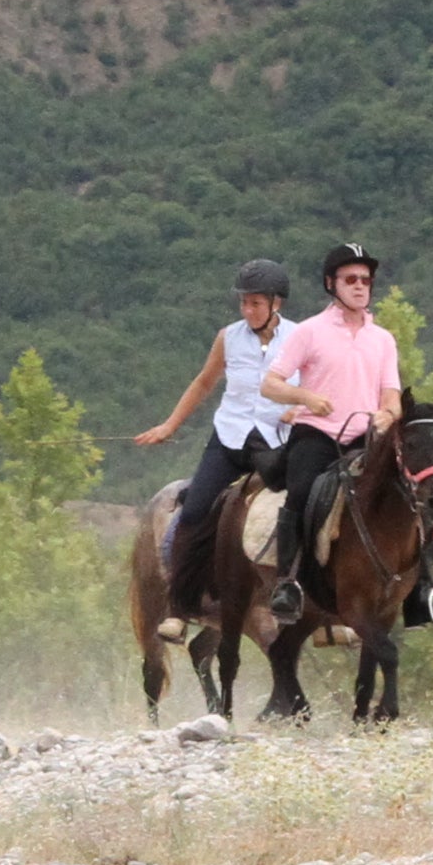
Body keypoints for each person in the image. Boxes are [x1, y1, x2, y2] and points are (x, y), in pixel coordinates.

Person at [261, 241, 433, 629]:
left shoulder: (382, 339)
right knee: (302, 493)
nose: (360, 286)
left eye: (365, 280)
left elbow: (390, 394)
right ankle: (288, 584)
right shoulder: (309, 332)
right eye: (350, 279)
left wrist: (387, 415)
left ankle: (423, 591)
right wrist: (305, 397)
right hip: (316, 435)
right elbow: (271, 384)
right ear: (330, 284)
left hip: (366, 438)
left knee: (420, 495)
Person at [132, 258, 295, 639]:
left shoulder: (299, 339)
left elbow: (318, 385)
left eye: (256, 303)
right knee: (194, 509)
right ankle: (179, 606)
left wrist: (300, 409)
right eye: (244, 302)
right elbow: (204, 383)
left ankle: (302, 598)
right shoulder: (229, 337)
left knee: (303, 506)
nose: (248, 310)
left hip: (275, 440)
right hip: (230, 438)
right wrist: (169, 425)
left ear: (276, 304)